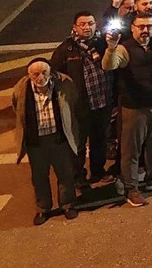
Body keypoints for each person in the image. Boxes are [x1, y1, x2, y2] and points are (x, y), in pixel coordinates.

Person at [102, 12, 152, 207]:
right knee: (130, 151)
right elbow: (109, 65)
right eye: (141, 26)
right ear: (132, 27)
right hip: (135, 109)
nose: (145, 30)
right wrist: (111, 48)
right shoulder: (125, 49)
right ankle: (131, 188)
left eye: (149, 26)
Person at [49, 11, 114, 189]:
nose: (87, 27)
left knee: (99, 140)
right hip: (79, 106)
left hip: (102, 102)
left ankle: (98, 171)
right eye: (82, 24)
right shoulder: (66, 49)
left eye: (91, 23)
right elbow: (54, 75)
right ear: (75, 27)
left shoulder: (103, 44)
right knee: (77, 144)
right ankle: (77, 175)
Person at [13, 59, 82, 224]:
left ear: (50, 72)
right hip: (36, 143)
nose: (40, 77)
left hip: (59, 138)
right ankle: (43, 208)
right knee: (39, 177)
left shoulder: (64, 83)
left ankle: (67, 204)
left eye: (44, 72)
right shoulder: (21, 89)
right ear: (29, 75)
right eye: (35, 74)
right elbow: (17, 108)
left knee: (65, 173)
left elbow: (73, 102)